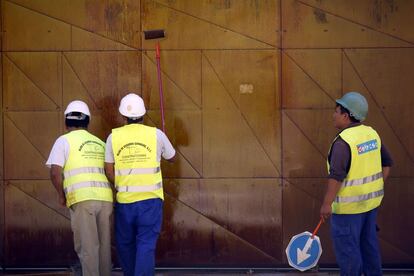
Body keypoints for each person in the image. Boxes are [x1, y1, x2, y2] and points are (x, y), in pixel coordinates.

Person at [320, 92, 393, 275]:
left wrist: (327, 204)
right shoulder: (371, 134)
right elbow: (387, 164)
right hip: (370, 207)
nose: (333, 115)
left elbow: (336, 176)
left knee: (349, 253)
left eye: (336, 111)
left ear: (346, 115)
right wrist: (374, 186)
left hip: (348, 212)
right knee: (369, 249)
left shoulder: (343, 143)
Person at [104, 93, 175, 276]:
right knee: (146, 244)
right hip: (150, 202)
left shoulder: (113, 137)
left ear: (123, 115)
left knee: (125, 244)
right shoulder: (157, 134)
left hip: (125, 201)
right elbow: (172, 157)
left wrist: (122, 184)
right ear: (144, 113)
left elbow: (109, 171)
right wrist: (163, 141)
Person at [46, 100, 113, 276]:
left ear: (66, 121)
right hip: (105, 199)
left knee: (88, 247)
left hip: (83, 199)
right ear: (87, 121)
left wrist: (61, 195)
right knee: (104, 247)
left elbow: (55, 173)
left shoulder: (63, 141)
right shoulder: (100, 143)